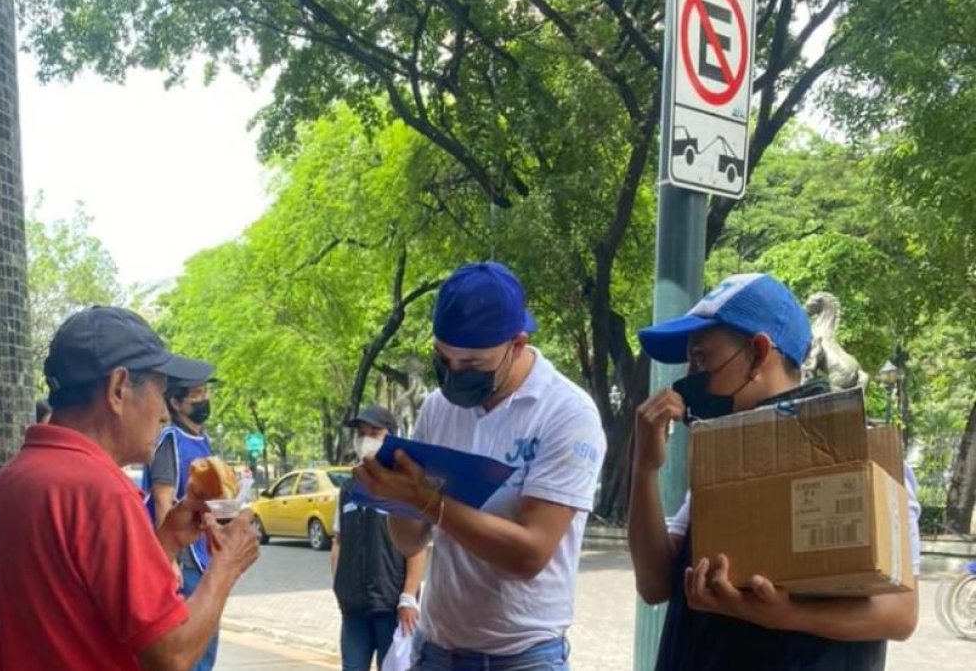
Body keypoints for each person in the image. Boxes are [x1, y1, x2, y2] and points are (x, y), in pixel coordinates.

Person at [627, 273, 922, 670]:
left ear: (759, 351)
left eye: (701, 357)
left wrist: (787, 615)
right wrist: (644, 468)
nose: (691, 375)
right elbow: (655, 584)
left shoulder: (860, 450)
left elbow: (900, 613)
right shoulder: (723, 463)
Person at [0, 306, 259, 671]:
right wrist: (227, 564)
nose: (164, 414)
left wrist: (168, 539)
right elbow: (170, 656)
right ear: (118, 388)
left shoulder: (10, 482)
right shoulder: (100, 491)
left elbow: (82, 603)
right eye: (161, 391)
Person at [355, 262, 607, 671]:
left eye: (471, 364)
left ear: (517, 344)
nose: (454, 374)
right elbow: (409, 542)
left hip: (523, 657)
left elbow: (530, 553)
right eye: (443, 359)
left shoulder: (566, 413)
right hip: (437, 649)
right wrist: (395, 496)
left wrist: (426, 500)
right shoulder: (438, 408)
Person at [332, 404, 428, 671]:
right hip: (354, 610)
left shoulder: (402, 485)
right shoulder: (349, 488)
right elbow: (339, 541)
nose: (366, 439)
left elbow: (418, 547)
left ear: (391, 437)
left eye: (374, 433)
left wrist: (408, 597)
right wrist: (339, 587)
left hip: (392, 607)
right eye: (361, 433)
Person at [143, 373, 221, 670]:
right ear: (175, 403)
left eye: (205, 393)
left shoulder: (204, 440)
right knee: (191, 639)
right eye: (196, 395)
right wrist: (171, 560)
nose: (204, 400)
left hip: (203, 552)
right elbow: (163, 499)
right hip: (185, 556)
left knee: (208, 637)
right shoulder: (171, 441)